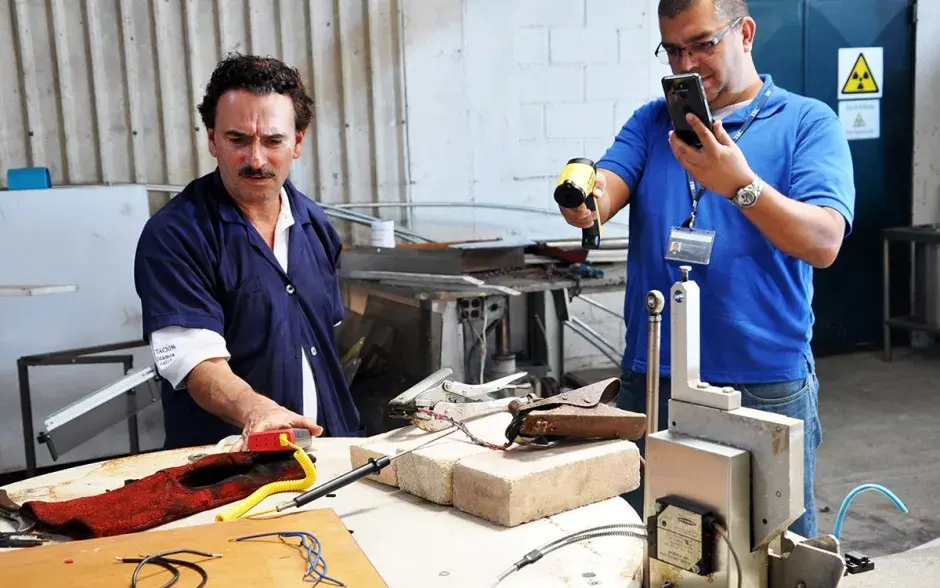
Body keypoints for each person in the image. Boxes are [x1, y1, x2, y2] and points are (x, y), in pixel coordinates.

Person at [560, 0, 855, 539]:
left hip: (763, 383)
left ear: (745, 33)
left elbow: (823, 241)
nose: (686, 64)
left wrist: (740, 186)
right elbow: (608, 185)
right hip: (653, 377)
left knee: (769, 550)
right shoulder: (654, 124)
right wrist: (586, 199)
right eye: (673, 49)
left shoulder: (807, 122)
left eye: (702, 44)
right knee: (646, 542)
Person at [134, 53, 363, 451]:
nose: (256, 159)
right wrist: (257, 411)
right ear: (212, 140)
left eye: (273, 140)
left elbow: (322, 340)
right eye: (237, 139)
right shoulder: (176, 235)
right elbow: (193, 361)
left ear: (297, 142)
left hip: (327, 454)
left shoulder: (315, 225)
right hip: (229, 469)